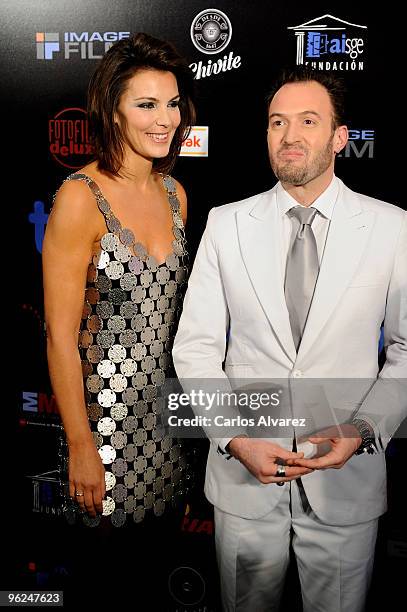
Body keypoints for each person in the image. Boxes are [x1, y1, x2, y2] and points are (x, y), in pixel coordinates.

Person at [172, 67, 407, 612]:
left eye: (308, 120)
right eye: (277, 122)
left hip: (346, 481)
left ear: (340, 137)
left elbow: (405, 350)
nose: (289, 135)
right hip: (244, 480)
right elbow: (196, 347)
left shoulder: (391, 227)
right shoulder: (226, 224)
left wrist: (365, 428)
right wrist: (232, 438)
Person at [42, 32, 195, 605]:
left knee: (155, 580)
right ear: (112, 110)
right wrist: (82, 443)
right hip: (102, 429)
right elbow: (59, 337)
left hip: (164, 427)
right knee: (104, 587)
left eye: (174, 104)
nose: (166, 120)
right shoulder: (80, 196)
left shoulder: (177, 194)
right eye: (147, 104)